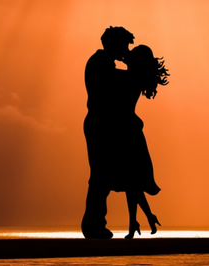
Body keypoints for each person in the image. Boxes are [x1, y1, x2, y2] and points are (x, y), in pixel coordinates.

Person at [81, 26, 139, 239]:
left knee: (101, 176)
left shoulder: (103, 63)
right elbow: (116, 83)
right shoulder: (100, 63)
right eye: (124, 45)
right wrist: (136, 71)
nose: (126, 50)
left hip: (103, 124)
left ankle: (95, 223)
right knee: (100, 176)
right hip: (99, 125)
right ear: (114, 44)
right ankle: (93, 225)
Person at [121, 44, 169, 238]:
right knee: (131, 181)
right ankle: (140, 219)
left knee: (130, 181)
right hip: (129, 129)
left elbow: (117, 74)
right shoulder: (136, 78)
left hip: (126, 131)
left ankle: (138, 221)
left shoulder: (130, 78)